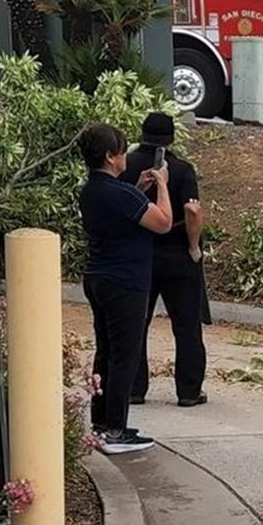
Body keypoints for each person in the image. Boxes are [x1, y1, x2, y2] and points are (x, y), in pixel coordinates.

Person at [78, 123, 172, 455]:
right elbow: (162, 221)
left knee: (105, 351)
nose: (125, 156)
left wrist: (137, 186)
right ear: (110, 156)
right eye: (121, 150)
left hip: (98, 276)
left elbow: (123, 212)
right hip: (126, 282)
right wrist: (161, 185)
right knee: (125, 357)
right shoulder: (120, 194)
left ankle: (101, 423)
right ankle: (116, 429)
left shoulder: (93, 190)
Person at [121, 113, 209, 409]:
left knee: (136, 324)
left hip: (139, 256)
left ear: (142, 133)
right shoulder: (183, 169)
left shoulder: (128, 165)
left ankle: (134, 388)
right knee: (186, 326)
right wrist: (194, 247)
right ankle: (188, 390)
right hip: (177, 257)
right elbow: (193, 212)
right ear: (172, 138)